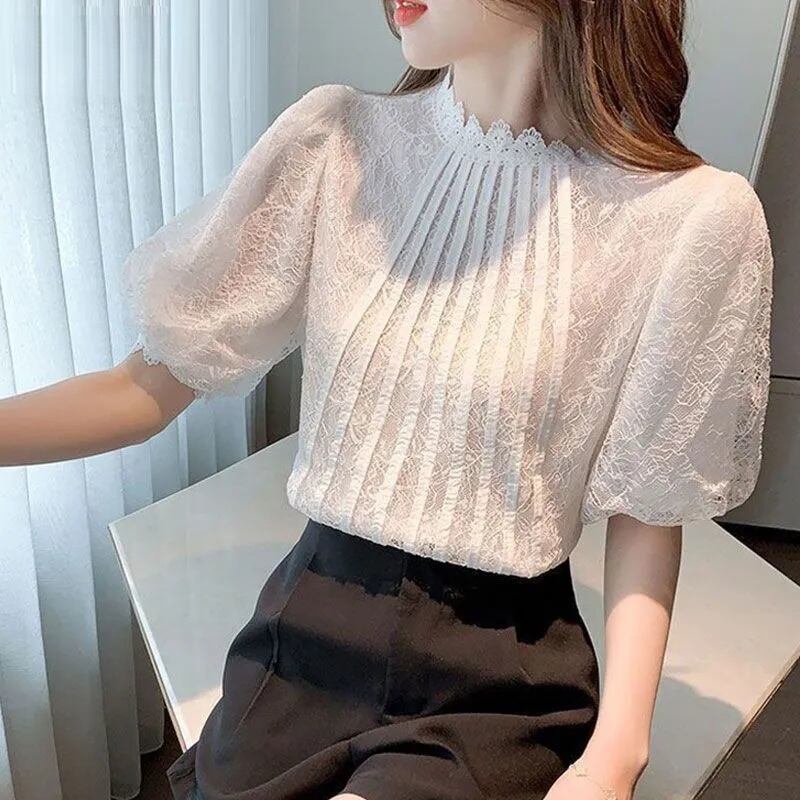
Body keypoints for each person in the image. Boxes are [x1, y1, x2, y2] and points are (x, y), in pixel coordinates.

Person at [0, 1, 774, 799]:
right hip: (304, 636)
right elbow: (147, 388)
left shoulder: (687, 220)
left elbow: (650, 508)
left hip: (494, 677)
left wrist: (615, 758)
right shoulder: (338, 146)